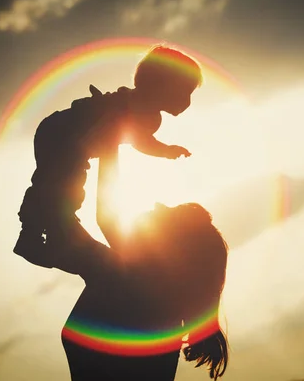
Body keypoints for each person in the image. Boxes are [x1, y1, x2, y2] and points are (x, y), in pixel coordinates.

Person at [16, 145, 230, 380]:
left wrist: (108, 139)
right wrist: (110, 141)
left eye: (169, 214)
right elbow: (90, 225)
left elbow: (65, 224)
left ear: (170, 248)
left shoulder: (123, 280)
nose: (158, 204)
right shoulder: (147, 292)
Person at [14, 45, 200, 268]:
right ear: (159, 85)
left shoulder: (151, 119)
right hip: (59, 133)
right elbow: (116, 131)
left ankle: (54, 231)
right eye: (185, 91)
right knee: (54, 184)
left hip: (77, 147)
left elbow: (140, 142)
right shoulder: (129, 104)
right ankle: (32, 234)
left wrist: (166, 150)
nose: (187, 101)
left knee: (66, 188)